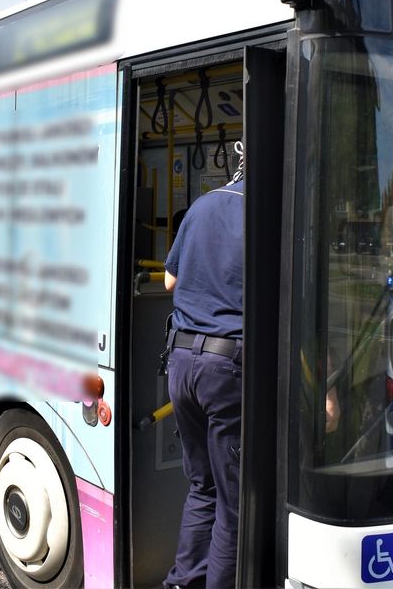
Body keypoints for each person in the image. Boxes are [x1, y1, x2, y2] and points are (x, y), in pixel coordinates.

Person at [163, 143, 244, 589]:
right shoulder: (270, 210)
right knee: (233, 505)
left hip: (181, 362)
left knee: (202, 488)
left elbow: (170, 279)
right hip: (226, 369)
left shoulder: (204, 204)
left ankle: (182, 583)